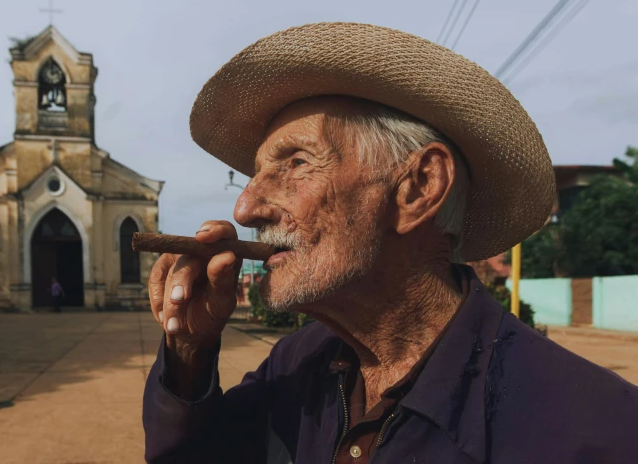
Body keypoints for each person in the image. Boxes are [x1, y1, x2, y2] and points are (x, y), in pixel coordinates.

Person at [143, 23, 637, 463]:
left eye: (295, 163)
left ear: (418, 187)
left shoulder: (597, 434)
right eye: (257, 175)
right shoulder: (296, 364)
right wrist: (188, 349)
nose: (245, 209)